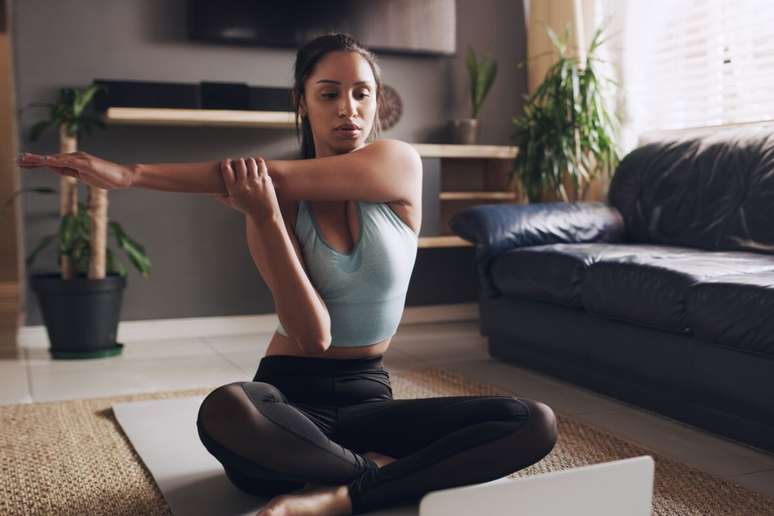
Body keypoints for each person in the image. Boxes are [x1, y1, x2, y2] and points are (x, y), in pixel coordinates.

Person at [17, 32, 557, 516]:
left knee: (532, 421)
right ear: (301, 100)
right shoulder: (269, 206)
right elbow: (314, 333)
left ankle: (344, 490)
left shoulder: (398, 164)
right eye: (329, 93)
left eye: (362, 93)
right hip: (286, 410)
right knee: (228, 407)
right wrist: (268, 216)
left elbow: (266, 173)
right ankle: (374, 474)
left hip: (371, 400)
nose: (349, 109)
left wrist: (131, 174)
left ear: (377, 102)